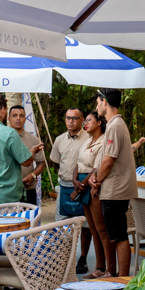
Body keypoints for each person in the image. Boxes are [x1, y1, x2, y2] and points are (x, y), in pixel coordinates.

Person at [89, 88, 136, 276]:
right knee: (116, 235)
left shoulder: (115, 126)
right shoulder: (114, 125)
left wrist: (97, 182)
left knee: (119, 236)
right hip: (114, 189)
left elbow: (109, 161)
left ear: (104, 101)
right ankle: (120, 277)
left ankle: (123, 279)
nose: (96, 107)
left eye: (97, 103)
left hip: (115, 190)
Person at [0, 94, 43, 208]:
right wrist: (32, 151)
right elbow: (27, 161)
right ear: (2, 110)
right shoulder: (9, 133)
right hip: (6, 198)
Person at [50, 107, 89, 273]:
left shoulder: (89, 138)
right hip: (65, 186)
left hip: (83, 186)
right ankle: (64, 258)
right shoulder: (59, 140)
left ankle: (83, 258)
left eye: (74, 118)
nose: (71, 121)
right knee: (62, 224)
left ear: (82, 120)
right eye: (68, 118)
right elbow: (56, 162)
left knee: (85, 225)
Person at [78, 110, 115, 278]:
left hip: (94, 186)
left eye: (89, 120)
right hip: (83, 186)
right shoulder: (87, 140)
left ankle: (110, 270)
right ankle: (99, 267)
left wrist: (84, 184)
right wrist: (76, 182)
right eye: (85, 121)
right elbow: (79, 163)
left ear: (99, 122)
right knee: (93, 229)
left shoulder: (104, 141)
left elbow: (97, 168)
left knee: (102, 230)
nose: (85, 123)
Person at [7, 104, 45, 205]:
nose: (18, 118)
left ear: (25, 119)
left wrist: (32, 175)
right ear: (8, 119)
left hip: (28, 189)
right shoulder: (3, 138)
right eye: (14, 115)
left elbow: (41, 163)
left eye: (21, 116)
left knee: (29, 215)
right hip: (8, 191)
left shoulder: (34, 139)